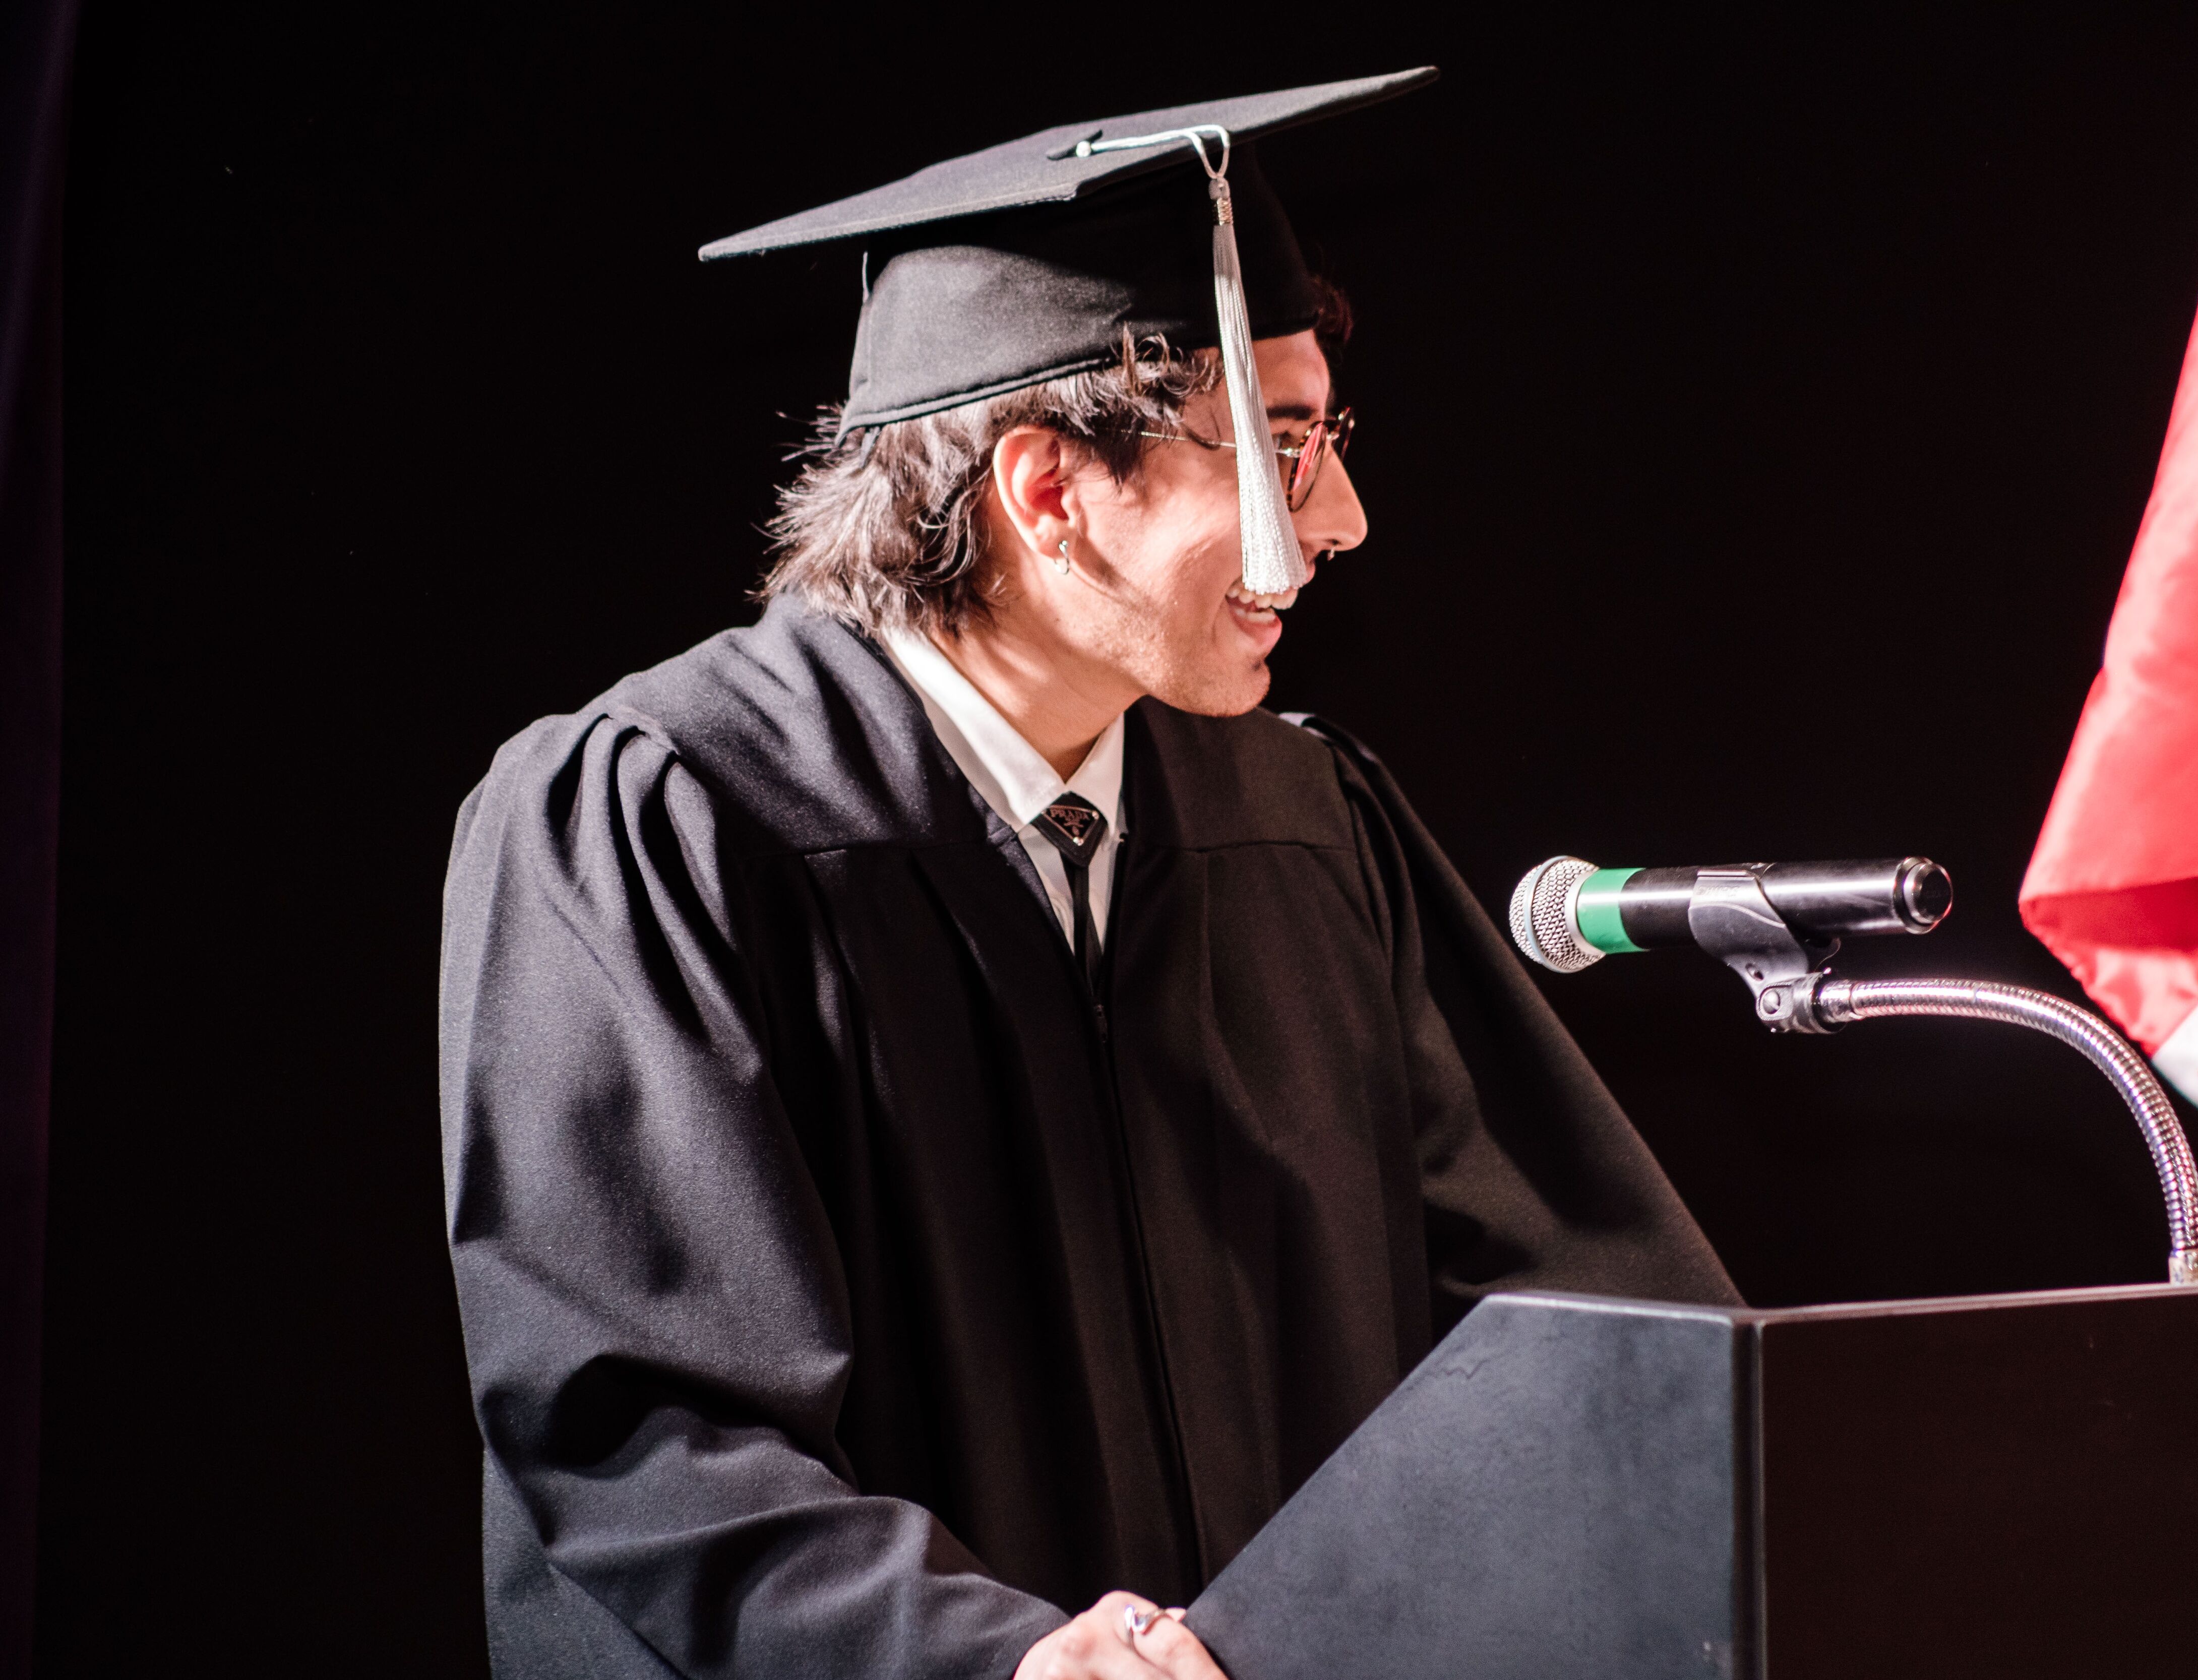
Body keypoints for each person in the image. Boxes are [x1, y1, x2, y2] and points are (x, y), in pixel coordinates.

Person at [438, 70, 1738, 1680]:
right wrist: (989, 1659)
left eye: (1328, 436)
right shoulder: (670, 816)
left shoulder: (1299, 820)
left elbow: (1568, 1326)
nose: (1339, 517)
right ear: (1048, 492)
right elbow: (640, 1425)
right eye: (1277, 446)